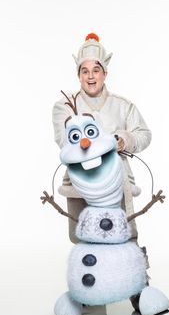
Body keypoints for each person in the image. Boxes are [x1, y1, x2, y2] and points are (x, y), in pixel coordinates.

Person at [52, 33, 152, 245]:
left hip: (118, 181)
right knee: (82, 236)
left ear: (105, 73)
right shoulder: (64, 106)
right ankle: (86, 276)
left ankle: (131, 272)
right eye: (85, 71)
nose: (90, 77)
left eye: (96, 70)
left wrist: (124, 139)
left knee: (123, 233)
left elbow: (144, 134)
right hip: (80, 181)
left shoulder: (124, 106)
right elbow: (64, 141)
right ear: (78, 75)